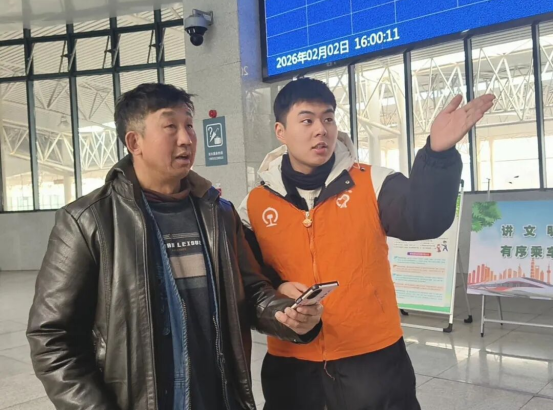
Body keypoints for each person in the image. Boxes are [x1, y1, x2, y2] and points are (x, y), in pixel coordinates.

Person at [27, 83, 323, 410]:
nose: (186, 138)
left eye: (190, 125)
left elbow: (251, 292)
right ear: (134, 142)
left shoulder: (219, 214)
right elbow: (52, 338)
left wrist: (287, 315)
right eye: (170, 126)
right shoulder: (88, 220)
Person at [239, 78, 495, 410]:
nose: (321, 130)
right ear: (281, 131)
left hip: (373, 359)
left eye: (328, 118)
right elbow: (248, 278)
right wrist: (278, 290)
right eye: (307, 120)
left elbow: (424, 218)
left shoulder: (373, 182)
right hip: (292, 362)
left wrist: (438, 155)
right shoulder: (254, 204)